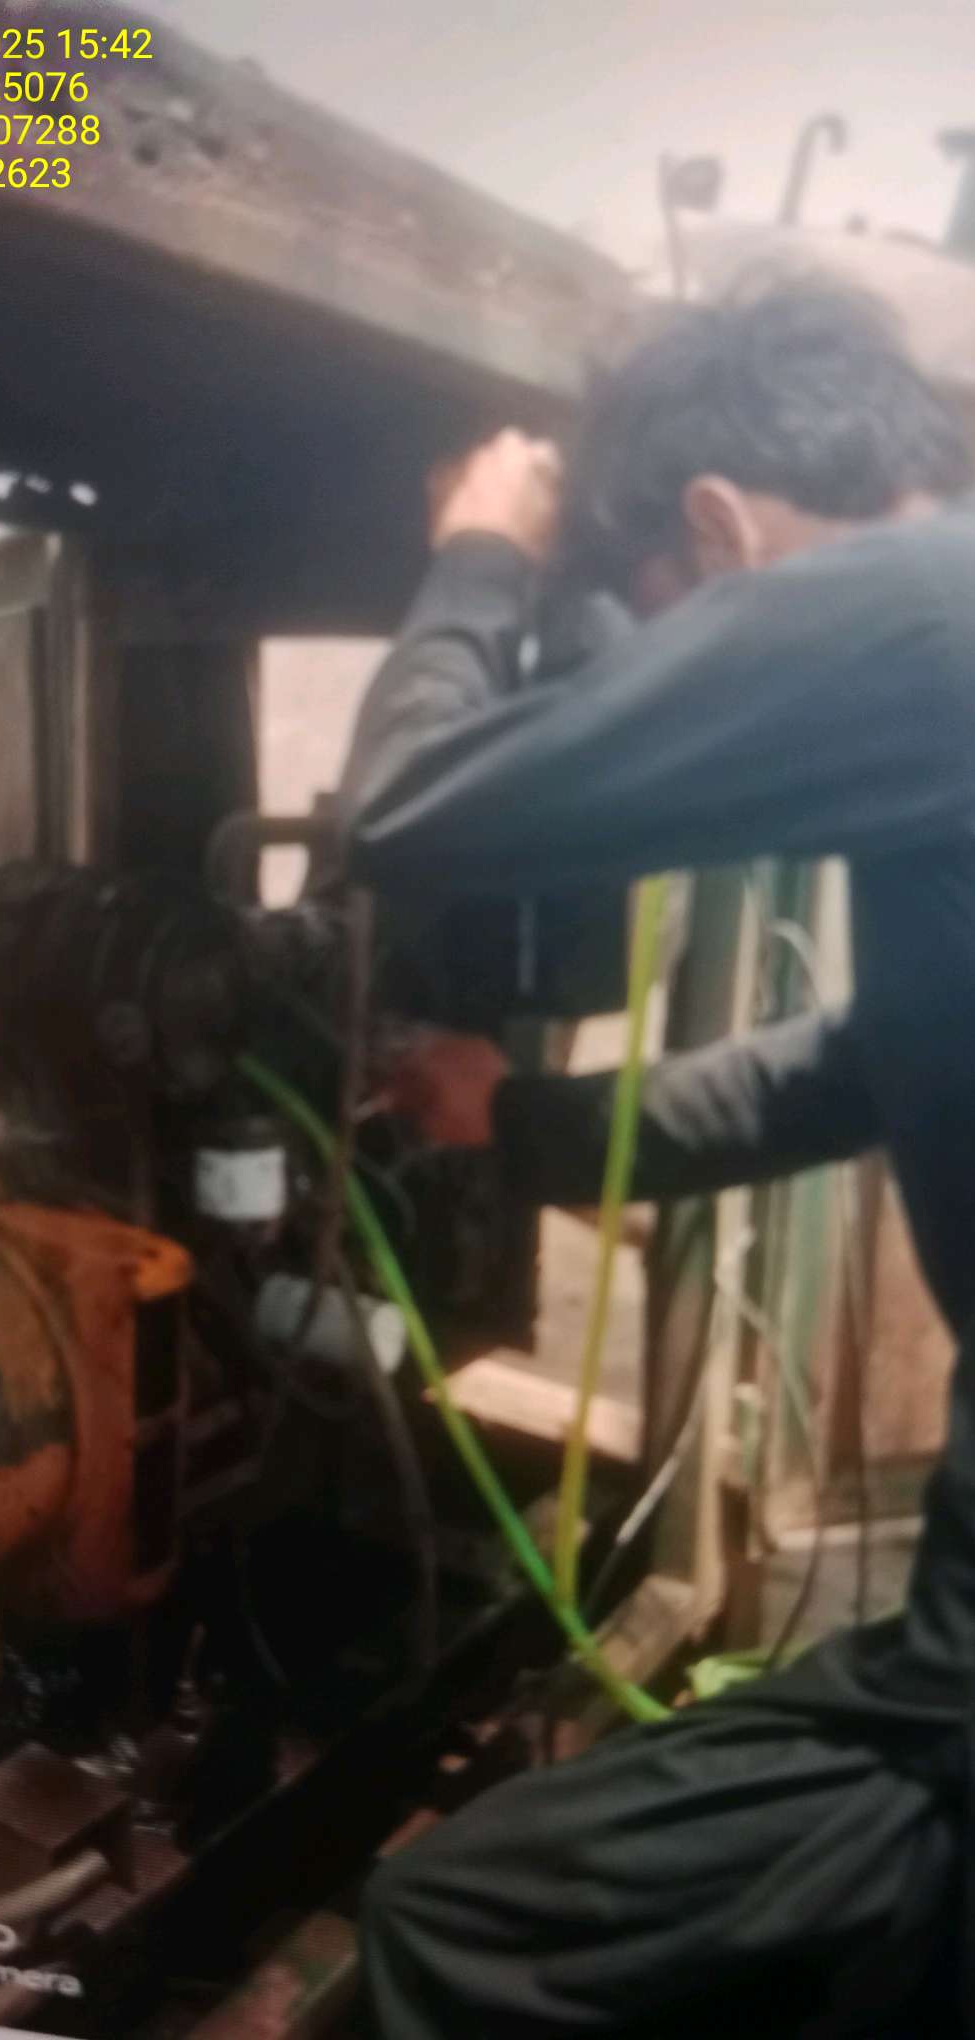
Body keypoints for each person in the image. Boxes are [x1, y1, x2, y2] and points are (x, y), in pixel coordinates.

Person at [339, 283, 975, 2037]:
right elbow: (857, 1063)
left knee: (462, 1916)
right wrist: (523, 1119)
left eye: (669, 633)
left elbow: (404, 809)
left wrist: (480, 558)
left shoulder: (914, 604)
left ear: (721, 524)